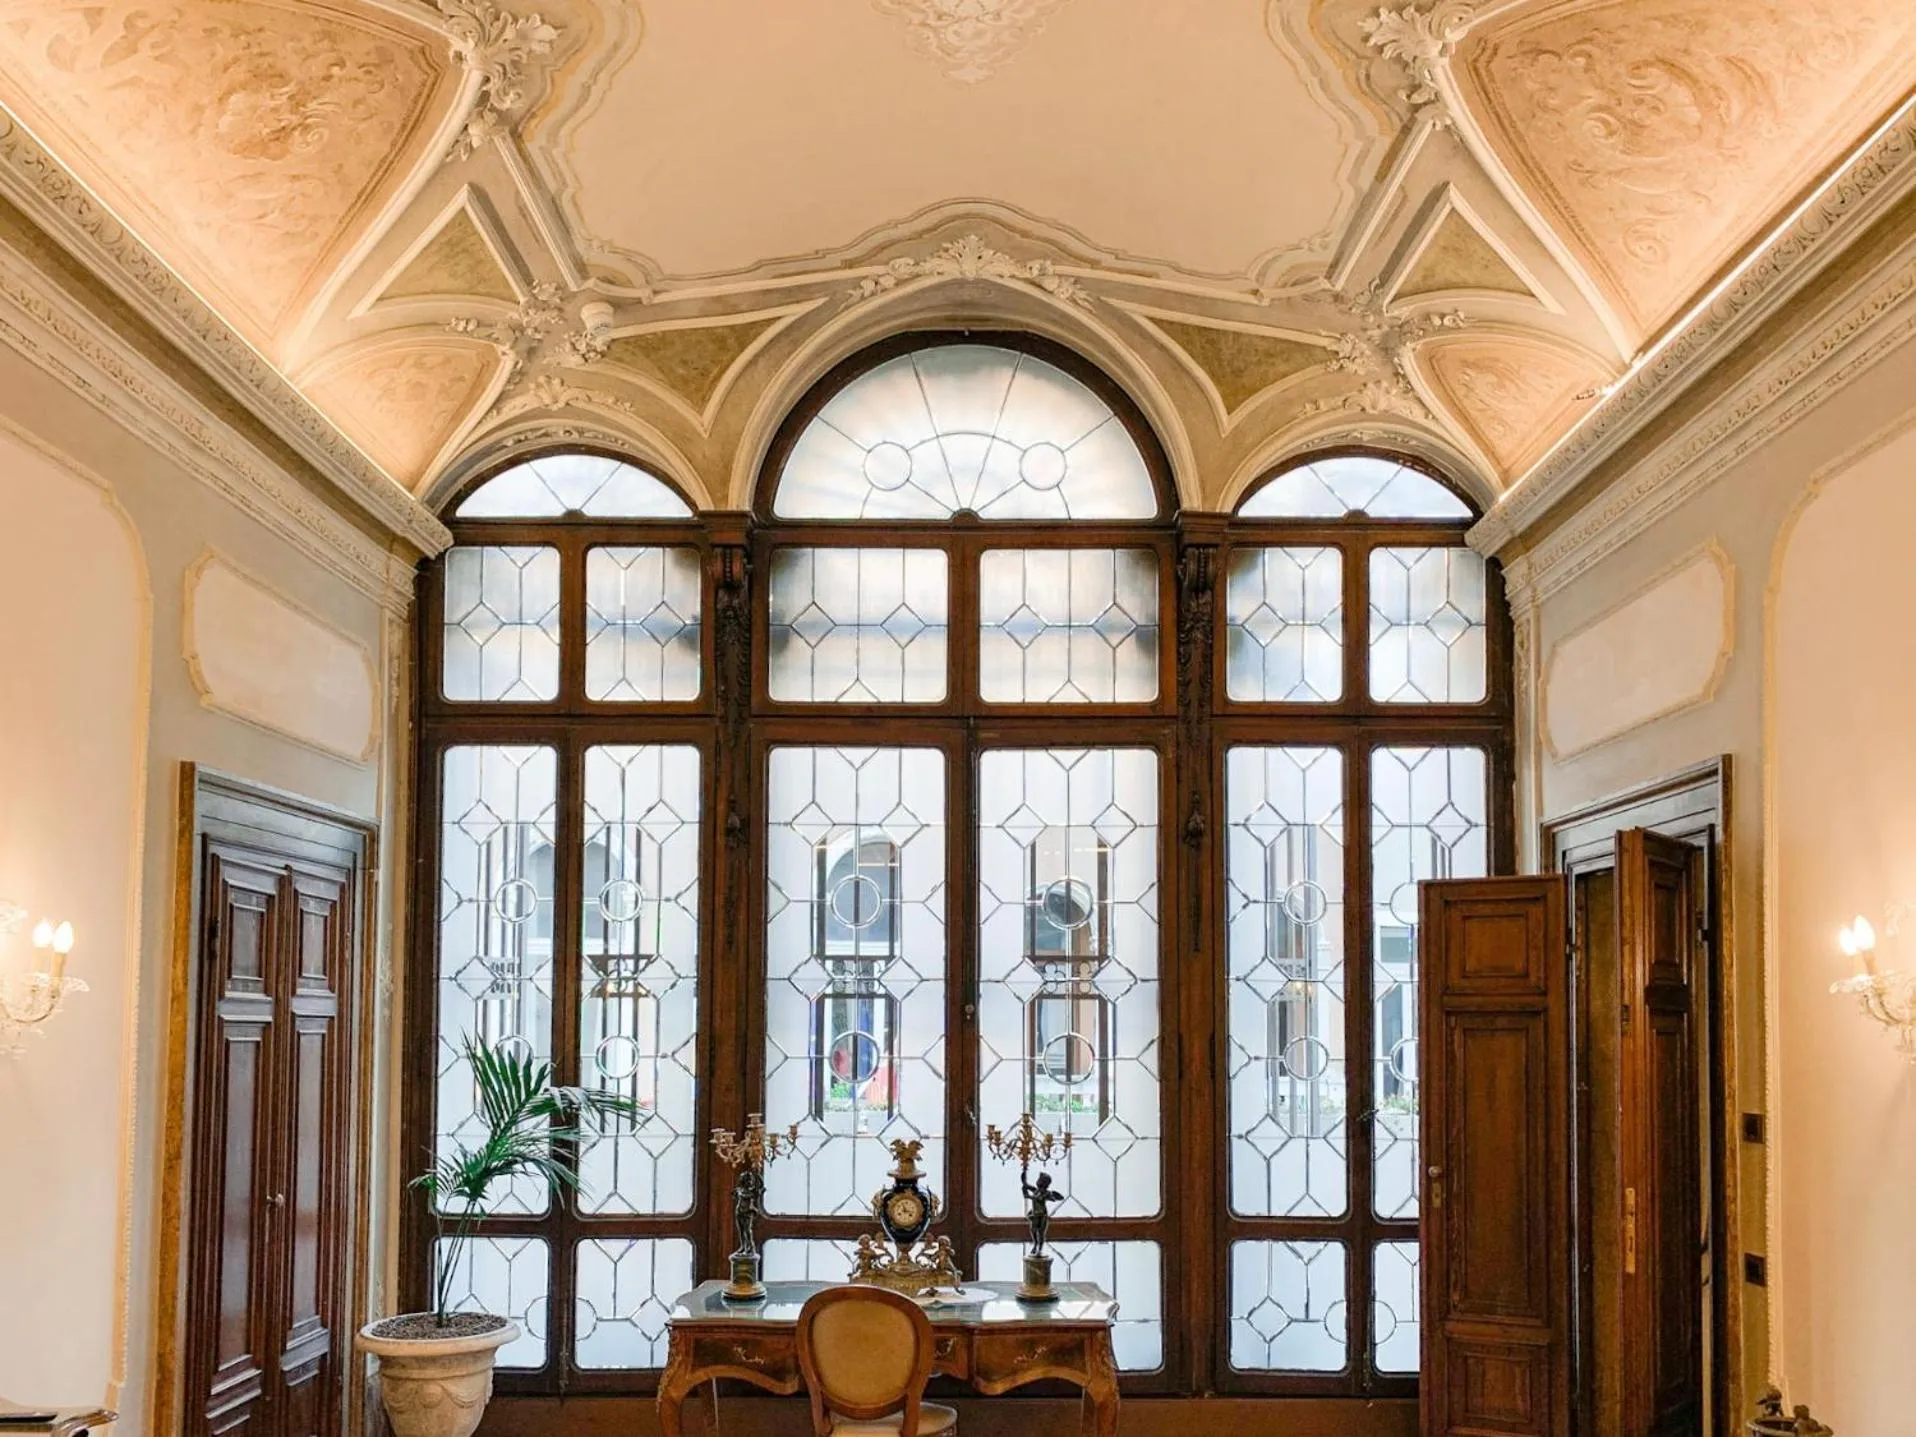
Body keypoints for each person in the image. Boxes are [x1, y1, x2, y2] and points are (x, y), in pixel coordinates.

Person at [1021, 1170, 1066, 1256]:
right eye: (1039, 1179)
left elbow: (1054, 1198)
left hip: (1042, 1215)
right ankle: (1035, 1245)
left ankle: (1040, 1248)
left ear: (1045, 1183)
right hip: (1034, 1214)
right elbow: (1026, 1186)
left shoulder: (1046, 1193)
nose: (1038, 1181)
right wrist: (1024, 1182)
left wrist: (1048, 1196)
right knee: (1033, 1231)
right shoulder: (1035, 1190)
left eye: (1040, 1180)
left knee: (1041, 1233)